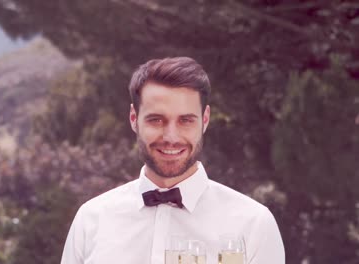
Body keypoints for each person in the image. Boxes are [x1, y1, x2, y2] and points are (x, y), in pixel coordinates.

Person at [60, 57, 285, 264]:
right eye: (156, 120)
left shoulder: (254, 225)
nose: (171, 137)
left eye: (186, 120)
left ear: (205, 120)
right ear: (133, 119)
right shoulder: (91, 219)